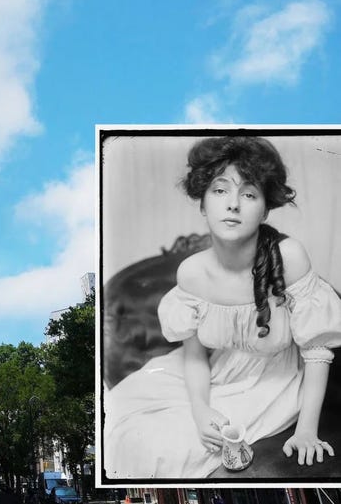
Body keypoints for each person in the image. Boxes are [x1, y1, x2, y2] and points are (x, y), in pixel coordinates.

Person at [103, 136, 341, 478]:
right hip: (211, 371)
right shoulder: (191, 273)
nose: (233, 204)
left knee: (168, 449)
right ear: (202, 204)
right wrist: (200, 410)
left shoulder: (289, 257)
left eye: (248, 194)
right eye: (219, 191)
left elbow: (317, 349)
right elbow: (195, 356)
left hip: (274, 379)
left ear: (264, 208)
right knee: (117, 413)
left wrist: (307, 430)